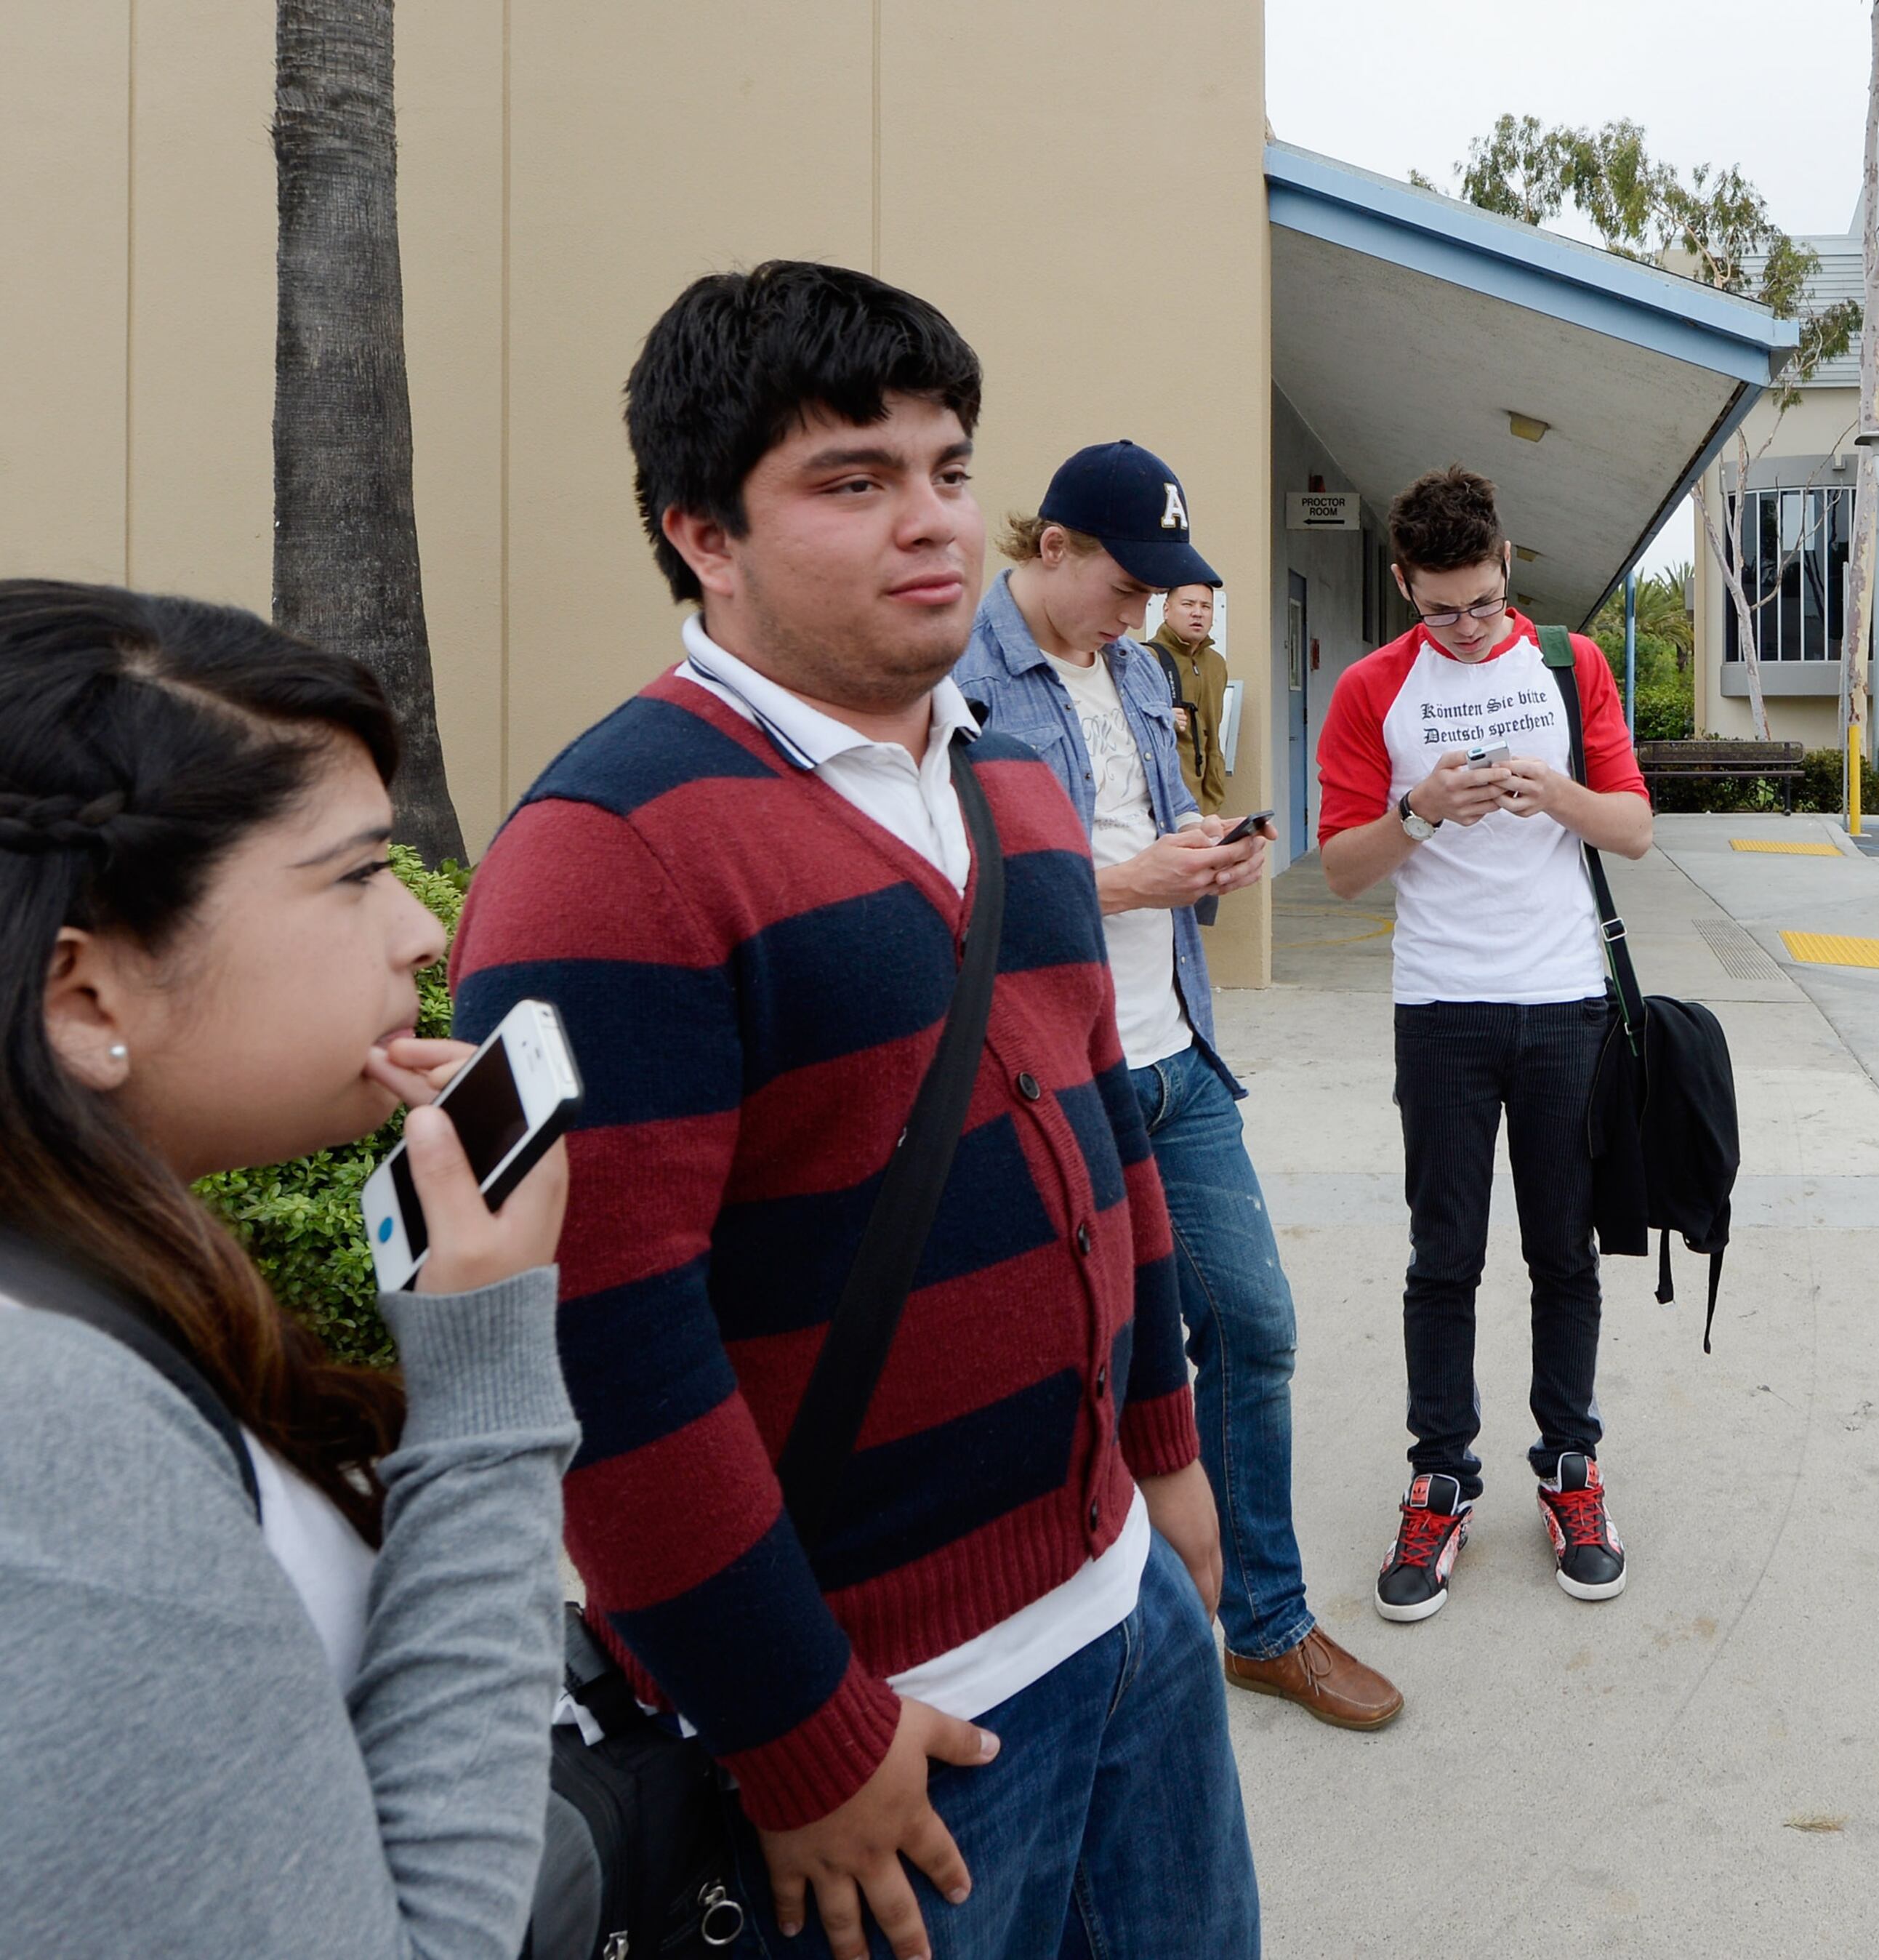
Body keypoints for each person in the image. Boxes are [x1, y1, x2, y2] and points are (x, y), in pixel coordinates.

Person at [448, 264, 1256, 1960]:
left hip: (1125, 1619)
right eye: (850, 479)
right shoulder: (601, 853)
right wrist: (799, 1734)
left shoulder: (1013, 784)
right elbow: (602, 1347)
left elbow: (1113, 1141)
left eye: (948, 470)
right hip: (888, 1736)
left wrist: (1167, 1453)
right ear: (702, 535)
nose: (930, 524)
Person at [0, 581, 579, 1959]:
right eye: (359, 873)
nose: (423, 931)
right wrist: (486, 1376)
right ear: (86, 996)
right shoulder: (54, 1438)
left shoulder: (81, 1285)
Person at [952, 443, 1403, 1732]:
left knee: (1252, 1327)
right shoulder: (958, 682)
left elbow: (1148, 829)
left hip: (1178, 1060)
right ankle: (1097, 1652)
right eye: (1125, 582)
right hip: (1057, 1073)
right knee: (1084, 1372)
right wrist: (1123, 884)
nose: (1143, 611)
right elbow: (945, 882)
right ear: (1050, 550)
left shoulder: (1141, 674)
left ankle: (1264, 1626)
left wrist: (1203, 860)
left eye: (1161, 590)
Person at [1314, 465, 1652, 1623]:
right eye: (1439, 607)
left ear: (1509, 566)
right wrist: (1421, 814)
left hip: (1565, 1001)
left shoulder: (1571, 666)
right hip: (1443, 1006)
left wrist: (1553, 794)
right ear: (1405, 584)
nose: (1465, 629)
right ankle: (1441, 1477)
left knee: (1564, 1254)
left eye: (1483, 601)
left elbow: (1637, 832)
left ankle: (1570, 1470)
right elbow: (1342, 871)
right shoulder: (1373, 689)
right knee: (1442, 1258)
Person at [1147, 582, 1229, 814]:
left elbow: (1214, 733)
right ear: (1166, 609)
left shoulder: (1216, 664)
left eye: (1206, 606)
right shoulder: (1147, 659)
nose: (1198, 613)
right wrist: (1162, 718)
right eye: (1188, 604)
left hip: (1208, 798)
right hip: (1164, 801)